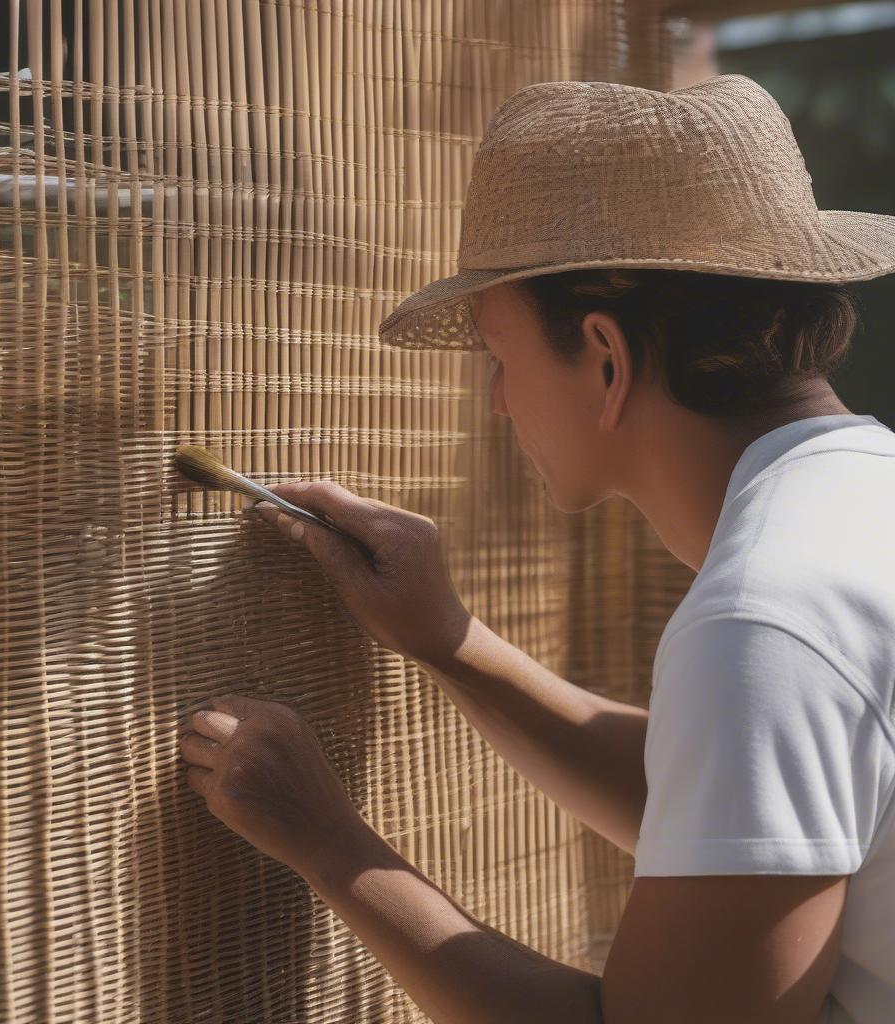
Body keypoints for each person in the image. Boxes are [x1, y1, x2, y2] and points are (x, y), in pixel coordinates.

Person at [178, 74, 895, 1023]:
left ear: (605, 356)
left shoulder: (764, 616)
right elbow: (741, 819)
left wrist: (327, 841)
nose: (499, 401)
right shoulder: (863, 508)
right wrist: (452, 644)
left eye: (497, 355)